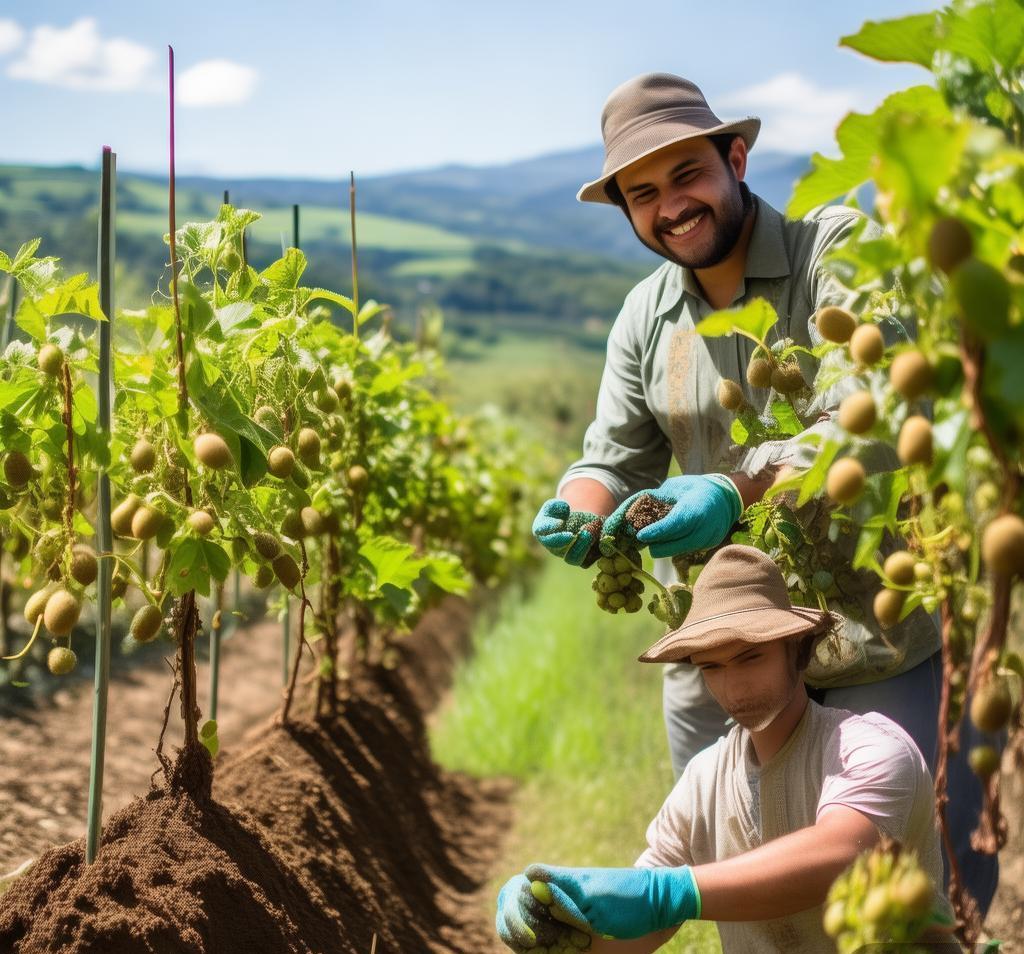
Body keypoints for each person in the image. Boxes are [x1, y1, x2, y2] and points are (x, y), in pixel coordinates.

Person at [531, 72, 995, 911]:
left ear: (736, 159)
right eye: (643, 194)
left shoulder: (833, 250)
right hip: (720, 646)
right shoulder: (644, 317)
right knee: (743, 877)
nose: (672, 206)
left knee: (911, 880)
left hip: (866, 632)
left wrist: (733, 488)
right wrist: (581, 511)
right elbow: (615, 456)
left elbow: (877, 413)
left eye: (687, 175)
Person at [496, 546, 956, 953]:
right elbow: (635, 933)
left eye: (750, 657)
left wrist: (670, 894)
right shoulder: (703, 782)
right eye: (711, 667)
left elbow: (842, 853)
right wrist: (550, 921)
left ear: (798, 649)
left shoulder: (870, 747)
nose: (733, 687)